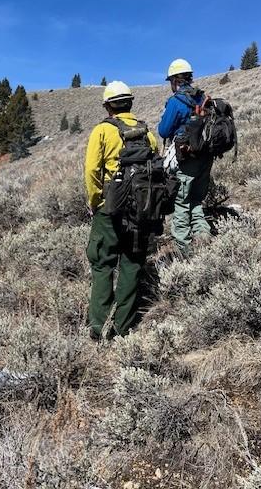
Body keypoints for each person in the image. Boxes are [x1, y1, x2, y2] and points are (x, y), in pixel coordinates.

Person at [85, 81, 158, 341]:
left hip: (110, 208)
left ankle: (99, 328)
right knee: (132, 263)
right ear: (130, 103)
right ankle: (123, 327)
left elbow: (92, 170)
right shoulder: (147, 133)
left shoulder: (102, 131)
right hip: (141, 208)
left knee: (103, 263)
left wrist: (95, 201)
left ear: (108, 106)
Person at [158, 59, 213, 255]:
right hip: (206, 157)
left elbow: (164, 131)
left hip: (186, 158)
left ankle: (185, 252)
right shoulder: (203, 97)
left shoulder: (176, 101)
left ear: (174, 80)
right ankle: (204, 240)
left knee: (181, 203)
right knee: (196, 201)